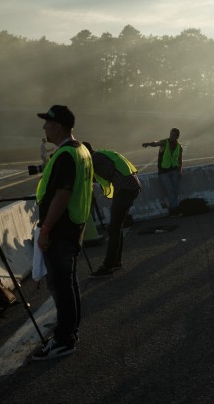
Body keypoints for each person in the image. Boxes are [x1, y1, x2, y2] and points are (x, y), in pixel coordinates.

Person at [33, 104, 93, 360]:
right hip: (75, 226)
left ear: (57, 126)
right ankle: (69, 332)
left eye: (47, 123)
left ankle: (64, 339)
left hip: (61, 230)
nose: (44, 126)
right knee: (68, 284)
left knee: (61, 286)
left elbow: (62, 194)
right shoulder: (81, 150)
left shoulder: (67, 154)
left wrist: (45, 229)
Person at [83, 143, 142, 278]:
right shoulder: (101, 155)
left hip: (125, 190)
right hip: (130, 188)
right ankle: (115, 262)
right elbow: (92, 177)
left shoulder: (94, 158)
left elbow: (83, 172)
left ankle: (108, 266)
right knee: (116, 227)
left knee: (114, 228)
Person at [142, 128, 183, 216]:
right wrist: (149, 143)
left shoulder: (179, 147)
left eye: (173, 135)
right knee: (170, 190)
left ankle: (174, 209)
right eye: (170, 134)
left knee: (175, 190)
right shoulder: (165, 142)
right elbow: (156, 143)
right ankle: (173, 210)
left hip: (174, 171)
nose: (171, 136)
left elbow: (180, 160)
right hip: (164, 172)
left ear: (177, 136)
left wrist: (180, 171)